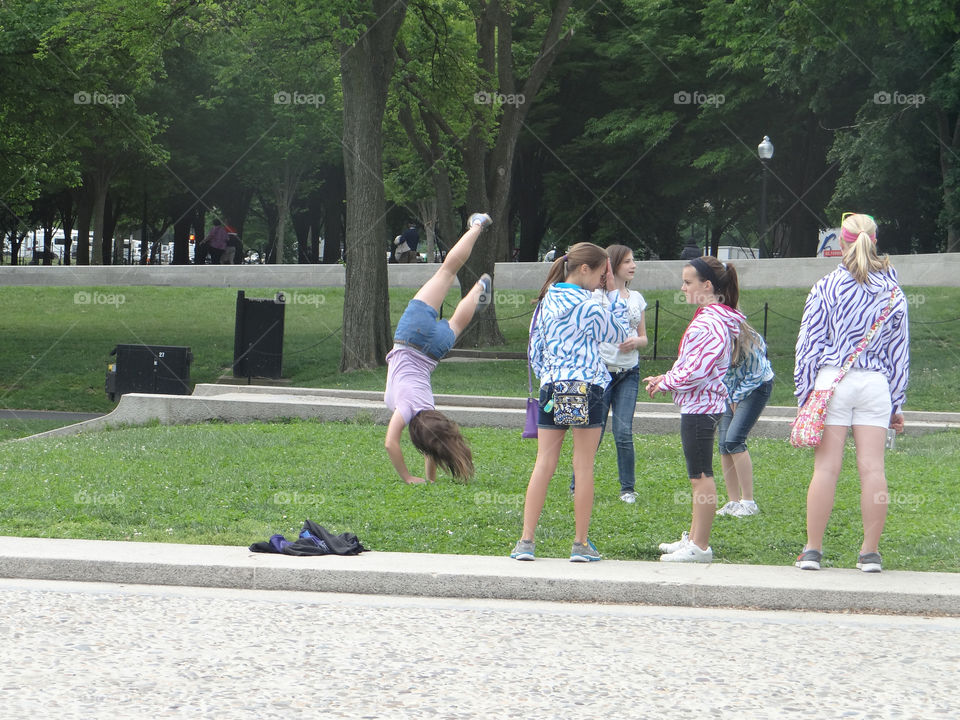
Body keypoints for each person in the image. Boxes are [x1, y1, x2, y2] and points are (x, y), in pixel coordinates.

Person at [793, 212, 909, 573]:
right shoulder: (893, 292)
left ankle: (812, 551)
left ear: (841, 242)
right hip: (875, 383)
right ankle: (869, 554)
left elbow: (808, 346)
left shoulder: (825, 287)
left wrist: (805, 397)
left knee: (826, 469)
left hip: (833, 380)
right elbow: (899, 352)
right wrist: (897, 401)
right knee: (873, 468)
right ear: (875, 241)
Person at [510, 243, 629, 563]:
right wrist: (614, 295)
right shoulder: (591, 305)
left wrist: (551, 373)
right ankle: (580, 544)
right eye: (604, 274)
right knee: (583, 465)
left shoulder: (546, 302)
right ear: (585, 269)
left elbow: (535, 349)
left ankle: (526, 541)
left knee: (544, 463)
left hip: (552, 390)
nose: (604, 280)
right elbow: (619, 334)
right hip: (587, 388)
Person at [644, 256, 745, 563]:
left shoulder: (710, 321)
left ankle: (700, 546)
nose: (683, 288)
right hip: (700, 405)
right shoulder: (712, 318)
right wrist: (668, 378)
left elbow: (698, 370)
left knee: (701, 476)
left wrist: (667, 383)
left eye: (688, 282)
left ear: (707, 285)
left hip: (702, 407)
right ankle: (695, 538)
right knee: (698, 475)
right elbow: (695, 365)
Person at [383, 213, 493, 484]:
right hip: (411, 336)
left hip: (435, 351)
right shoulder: (409, 410)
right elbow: (390, 443)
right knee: (446, 271)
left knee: (456, 322)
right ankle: (477, 225)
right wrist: (407, 476)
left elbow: (432, 442)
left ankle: (479, 288)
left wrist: (425, 480)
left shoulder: (429, 408)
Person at [570, 244, 648, 503]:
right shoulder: (596, 297)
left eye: (633, 260)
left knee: (623, 432)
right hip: (601, 374)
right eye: (627, 261)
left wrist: (635, 342)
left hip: (629, 373)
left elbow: (643, 337)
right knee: (593, 431)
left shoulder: (637, 298)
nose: (633, 265)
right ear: (612, 266)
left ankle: (628, 489)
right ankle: (576, 485)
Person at [715, 321, 774, 518]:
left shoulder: (751, 341)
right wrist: (731, 397)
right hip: (729, 390)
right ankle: (732, 502)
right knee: (724, 444)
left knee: (734, 440)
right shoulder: (712, 339)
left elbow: (757, 374)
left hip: (757, 387)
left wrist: (737, 396)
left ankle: (748, 502)